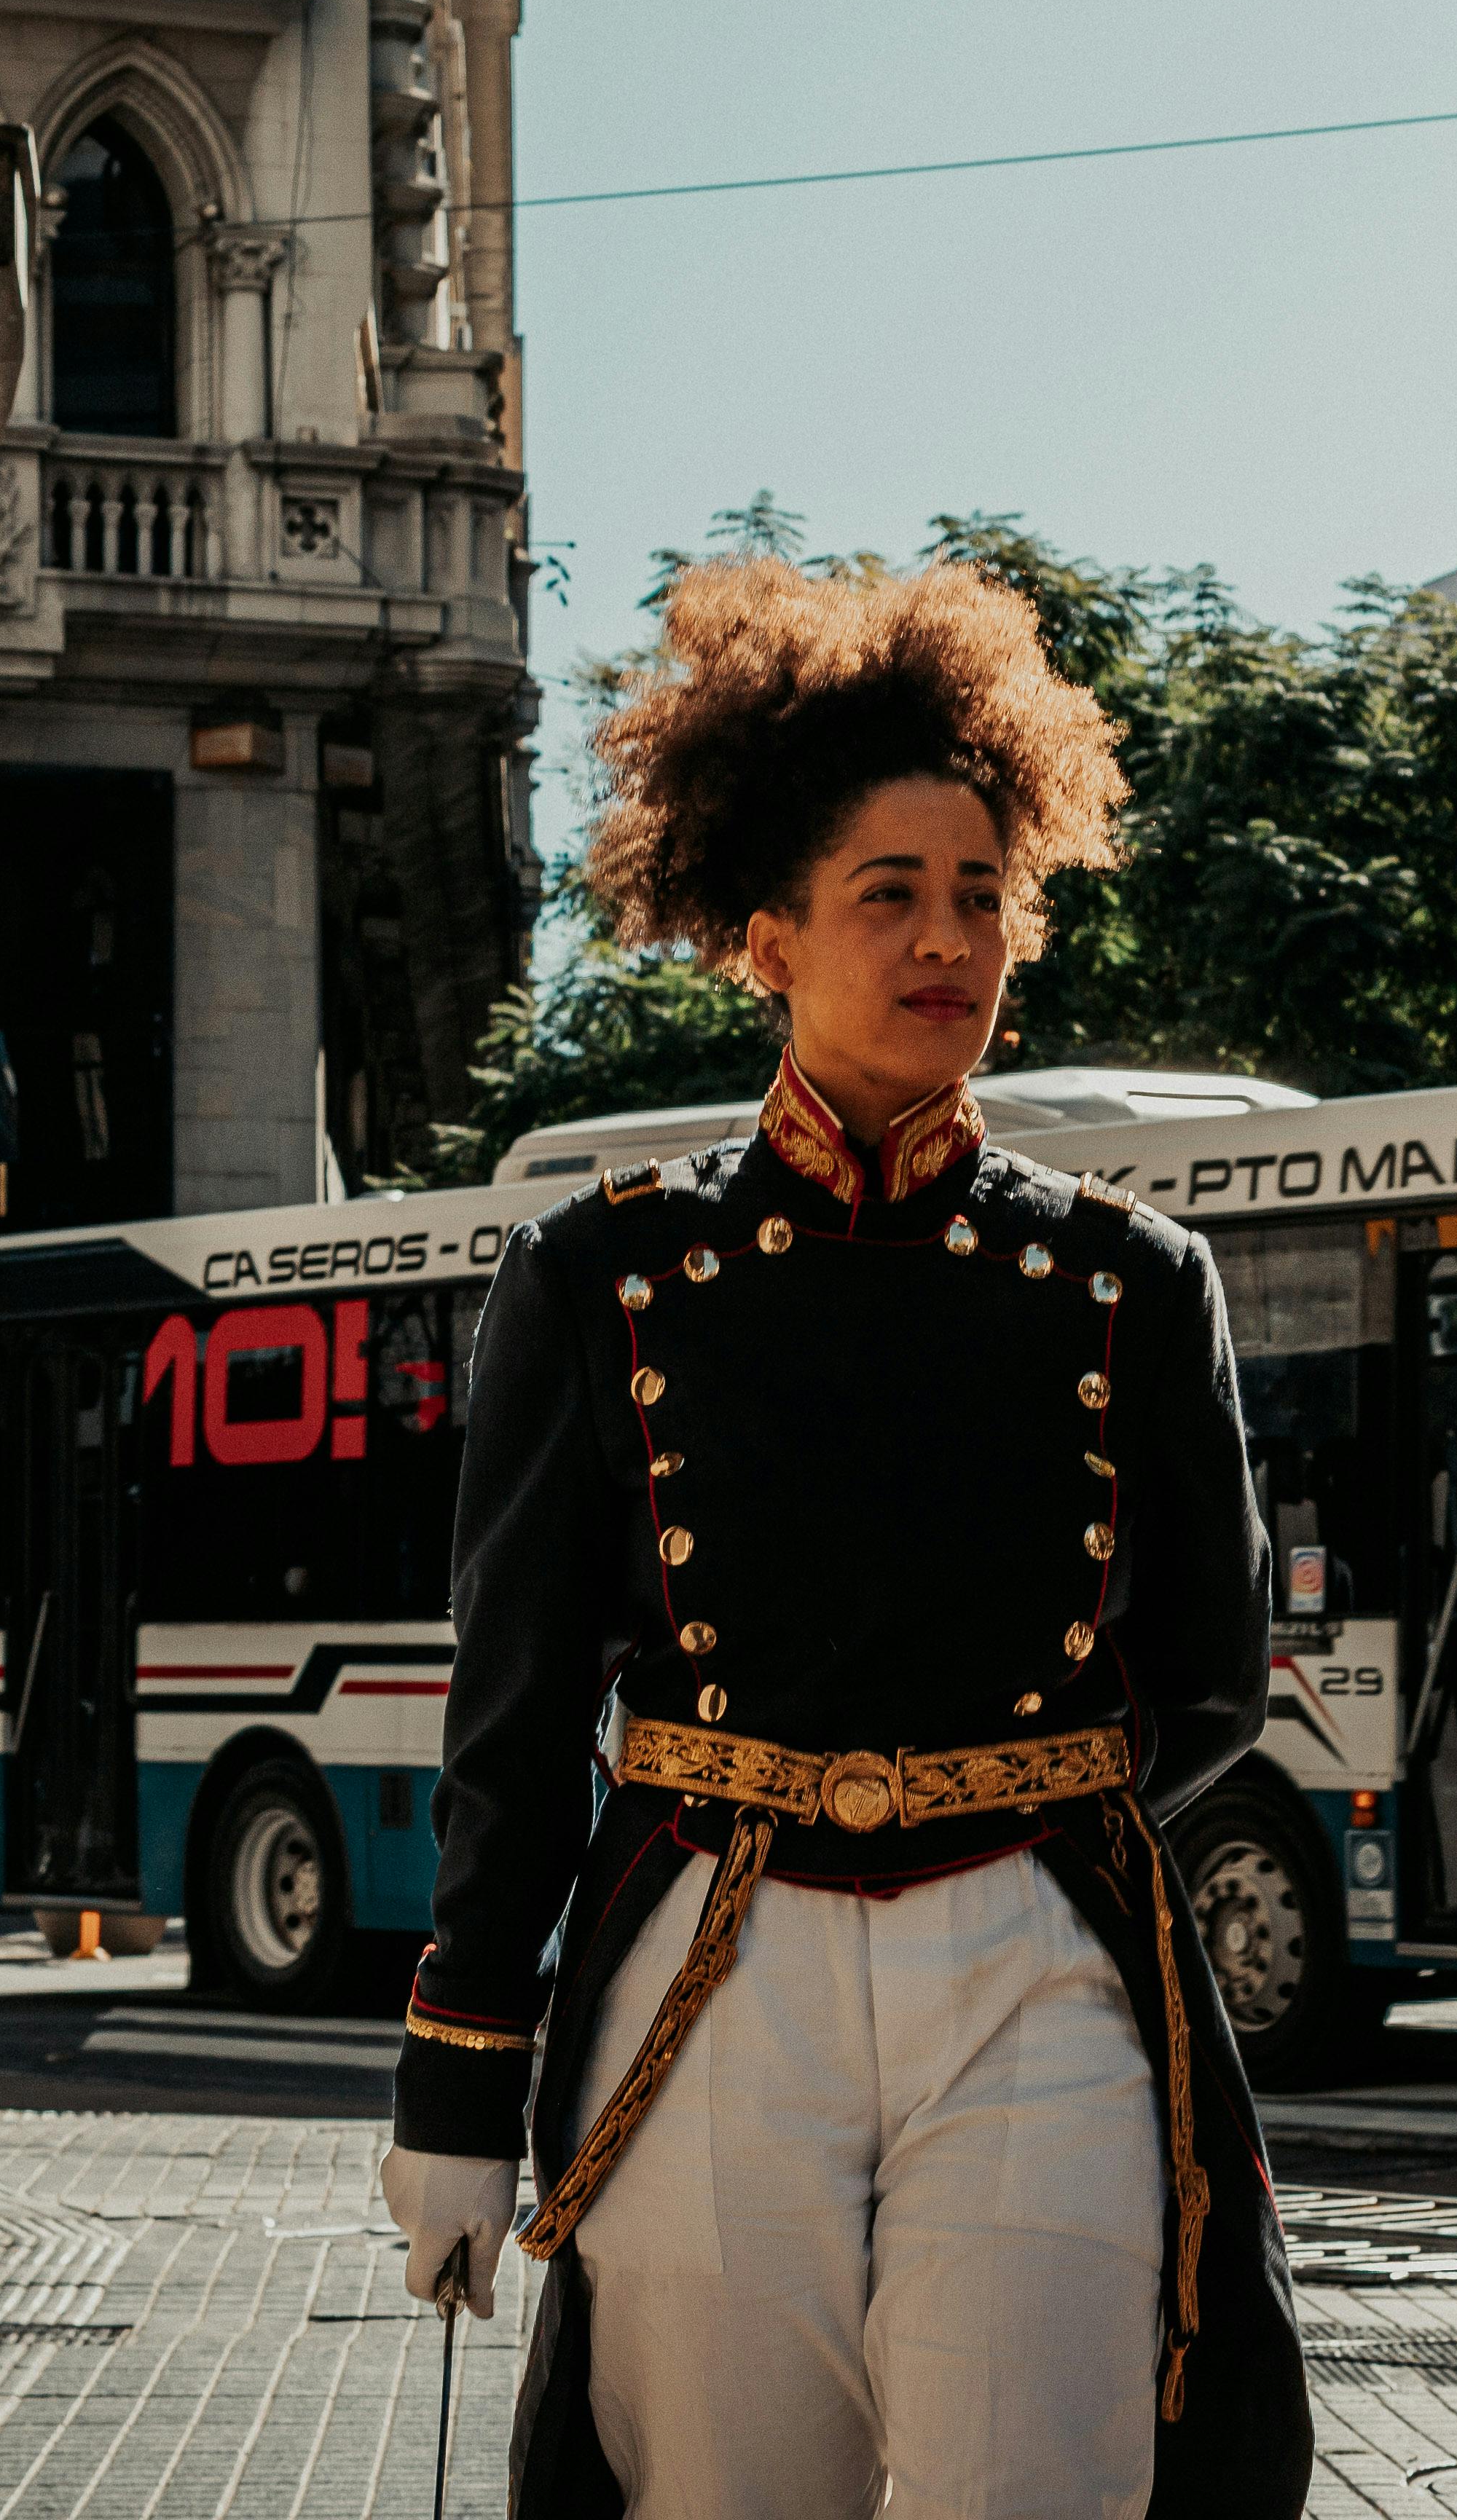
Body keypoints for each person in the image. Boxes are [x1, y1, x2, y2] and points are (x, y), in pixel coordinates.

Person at [378, 556, 1311, 2519]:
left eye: (983, 895)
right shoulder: (603, 1276)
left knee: (1040, 2487)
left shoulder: (1137, 1280)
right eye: (891, 894)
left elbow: (1216, 1662)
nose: (949, 939)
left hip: (1041, 1970)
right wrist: (459, 2087)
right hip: (715, 1974)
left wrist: (1010, 1803)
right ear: (762, 934)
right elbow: (517, 1715)